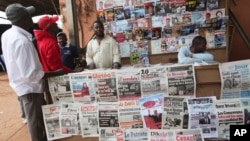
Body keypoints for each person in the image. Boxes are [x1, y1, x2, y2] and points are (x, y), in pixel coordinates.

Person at [1, 3, 65, 141]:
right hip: (30, 88)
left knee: (37, 119)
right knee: (35, 123)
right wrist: (56, 73)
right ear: (23, 19)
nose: (31, 18)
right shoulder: (22, 41)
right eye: (28, 16)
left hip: (21, 86)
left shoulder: (7, 35)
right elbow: (32, 75)